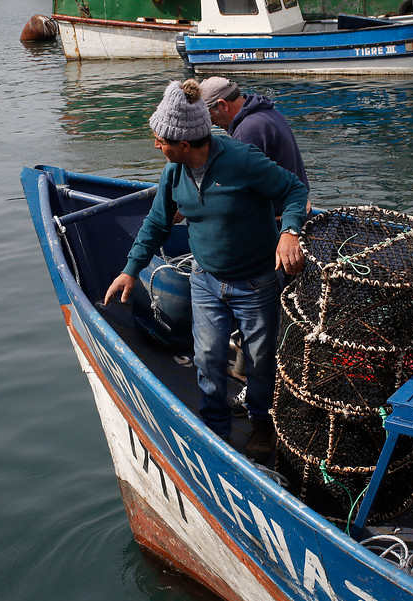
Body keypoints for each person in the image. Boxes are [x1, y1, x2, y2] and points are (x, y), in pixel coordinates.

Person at [104, 79, 309, 462]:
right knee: (208, 358)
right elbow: (156, 224)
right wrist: (131, 270)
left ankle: (262, 422)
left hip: (256, 282)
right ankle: (216, 426)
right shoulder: (173, 175)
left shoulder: (243, 159)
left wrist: (290, 232)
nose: (155, 145)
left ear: (183, 144)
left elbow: (294, 190)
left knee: (261, 361)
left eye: (160, 139)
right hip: (206, 281)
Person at [200, 76, 311, 216]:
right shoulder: (266, 111)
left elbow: (240, 189)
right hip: (301, 207)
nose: (213, 124)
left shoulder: (246, 130)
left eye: (210, 117)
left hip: (281, 219)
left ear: (223, 105)